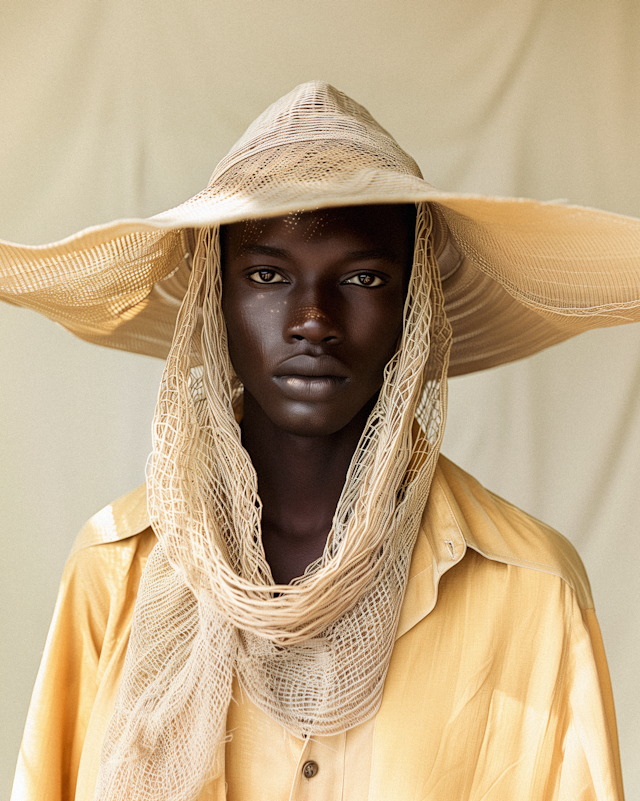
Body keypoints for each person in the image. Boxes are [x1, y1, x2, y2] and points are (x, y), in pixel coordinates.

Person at [4, 81, 637, 800]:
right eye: (268, 274)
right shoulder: (112, 573)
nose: (312, 317)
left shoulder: (533, 589)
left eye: (364, 277)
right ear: (216, 298)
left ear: (414, 306)